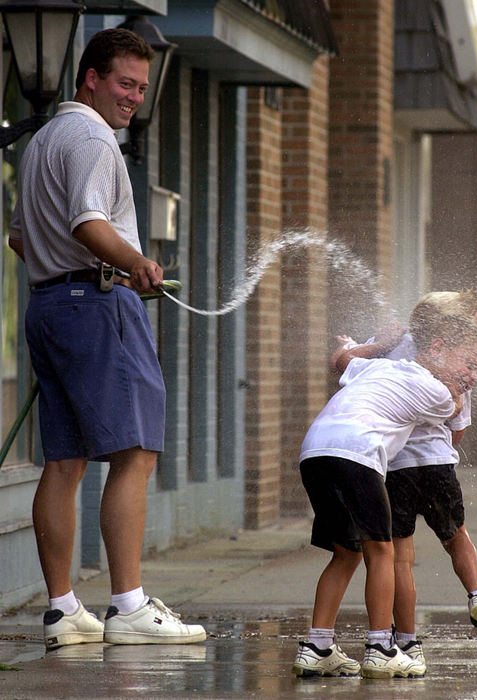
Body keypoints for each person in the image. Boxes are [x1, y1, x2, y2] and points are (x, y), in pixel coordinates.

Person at [8, 28, 206, 650]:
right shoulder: (94, 137)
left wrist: (95, 266)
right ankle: (128, 605)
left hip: (48, 304)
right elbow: (88, 221)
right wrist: (134, 263)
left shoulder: (43, 140)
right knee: (136, 452)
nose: (134, 99)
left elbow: (20, 238)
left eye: (142, 88)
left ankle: (64, 609)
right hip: (94, 308)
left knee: (64, 462)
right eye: (125, 83)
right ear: (90, 77)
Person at [330, 291, 477, 675]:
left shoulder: (391, 348)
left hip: (394, 467)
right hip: (437, 466)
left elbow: (341, 366)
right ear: (451, 330)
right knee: (457, 538)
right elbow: (457, 432)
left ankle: (408, 642)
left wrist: (369, 345)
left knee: (401, 558)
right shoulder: (457, 362)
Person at [292, 313, 477, 679]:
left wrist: (364, 345)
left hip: (315, 450)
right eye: (467, 365)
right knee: (381, 551)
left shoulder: (377, 368)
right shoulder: (435, 391)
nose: (470, 377)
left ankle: (316, 647)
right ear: (437, 350)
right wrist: (458, 392)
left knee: (345, 553)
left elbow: (343, 360)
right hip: (359, 451)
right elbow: (455, 416)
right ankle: (382, 647)